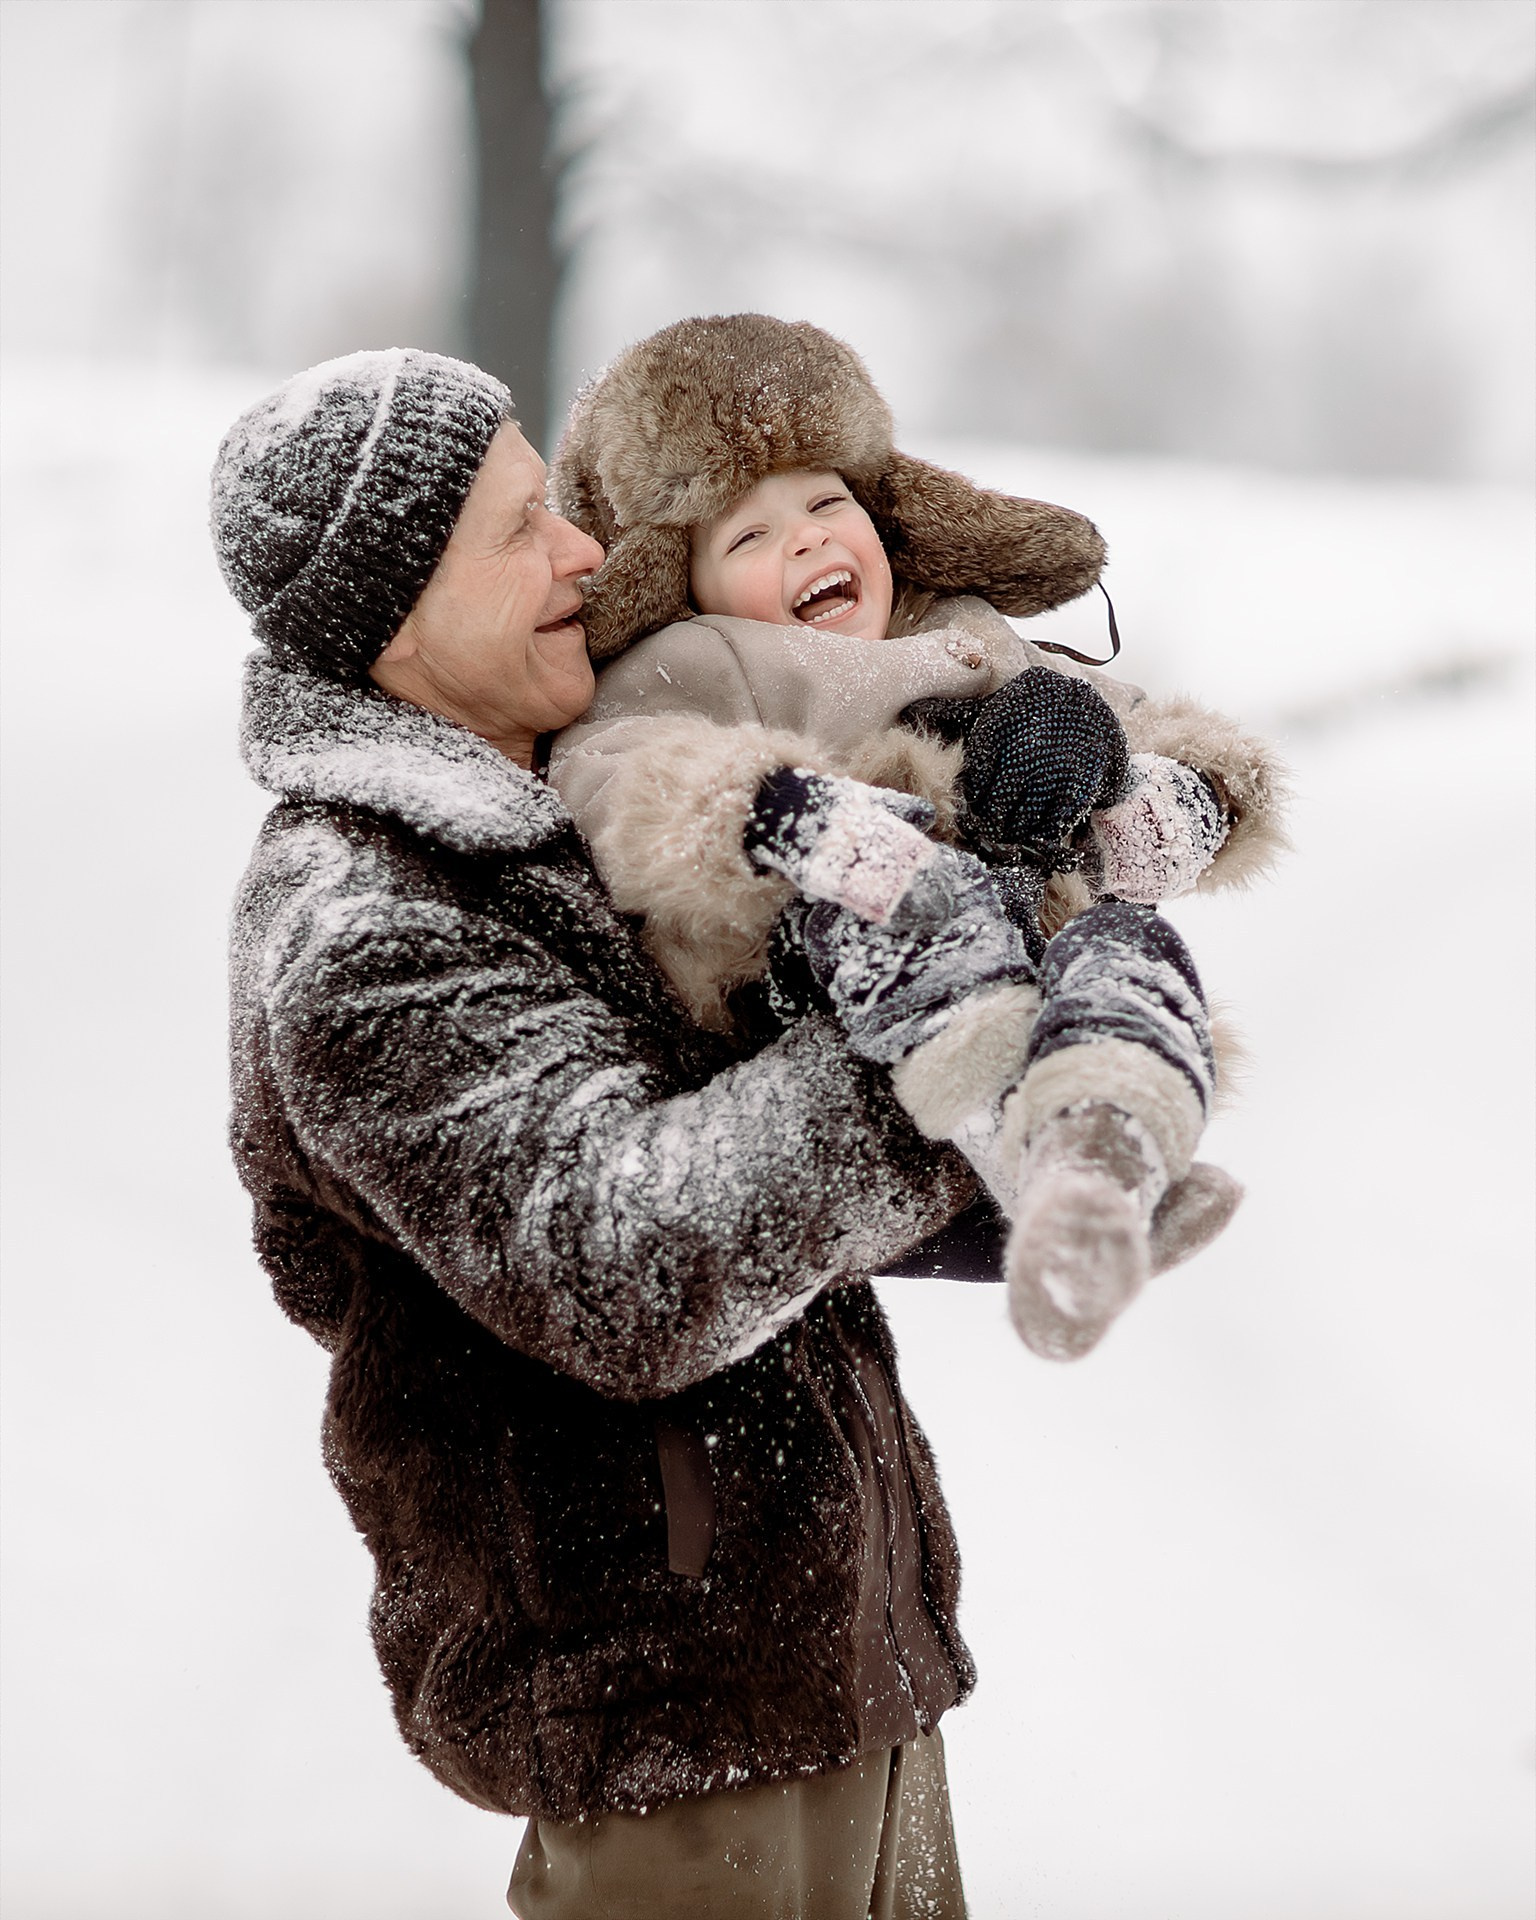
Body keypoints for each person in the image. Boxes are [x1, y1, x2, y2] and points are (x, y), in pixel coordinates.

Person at [213, 345, 1102, 1918]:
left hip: (837, 1676)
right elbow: (635, 1261)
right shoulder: (367, 929)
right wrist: (931, 1019)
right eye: (521, 529)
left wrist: (1040, 1031)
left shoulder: (553, 824)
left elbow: (813, 1156)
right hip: (671, 1740)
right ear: (398, 612)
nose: (585, 554)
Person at [546, 315, 1289, 1357]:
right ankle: (1017, 1154)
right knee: (906, 907)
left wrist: (1132, 791)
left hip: (1024, 934)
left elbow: (1154, 733)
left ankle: (1106, 1157)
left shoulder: (964, 631)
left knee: (1128, 950)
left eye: (826, 502)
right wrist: (777, 809)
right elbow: (612, 770)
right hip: (824, 943)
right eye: (748, 536)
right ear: (681, 579)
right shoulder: (698, 659)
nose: (806, 539)